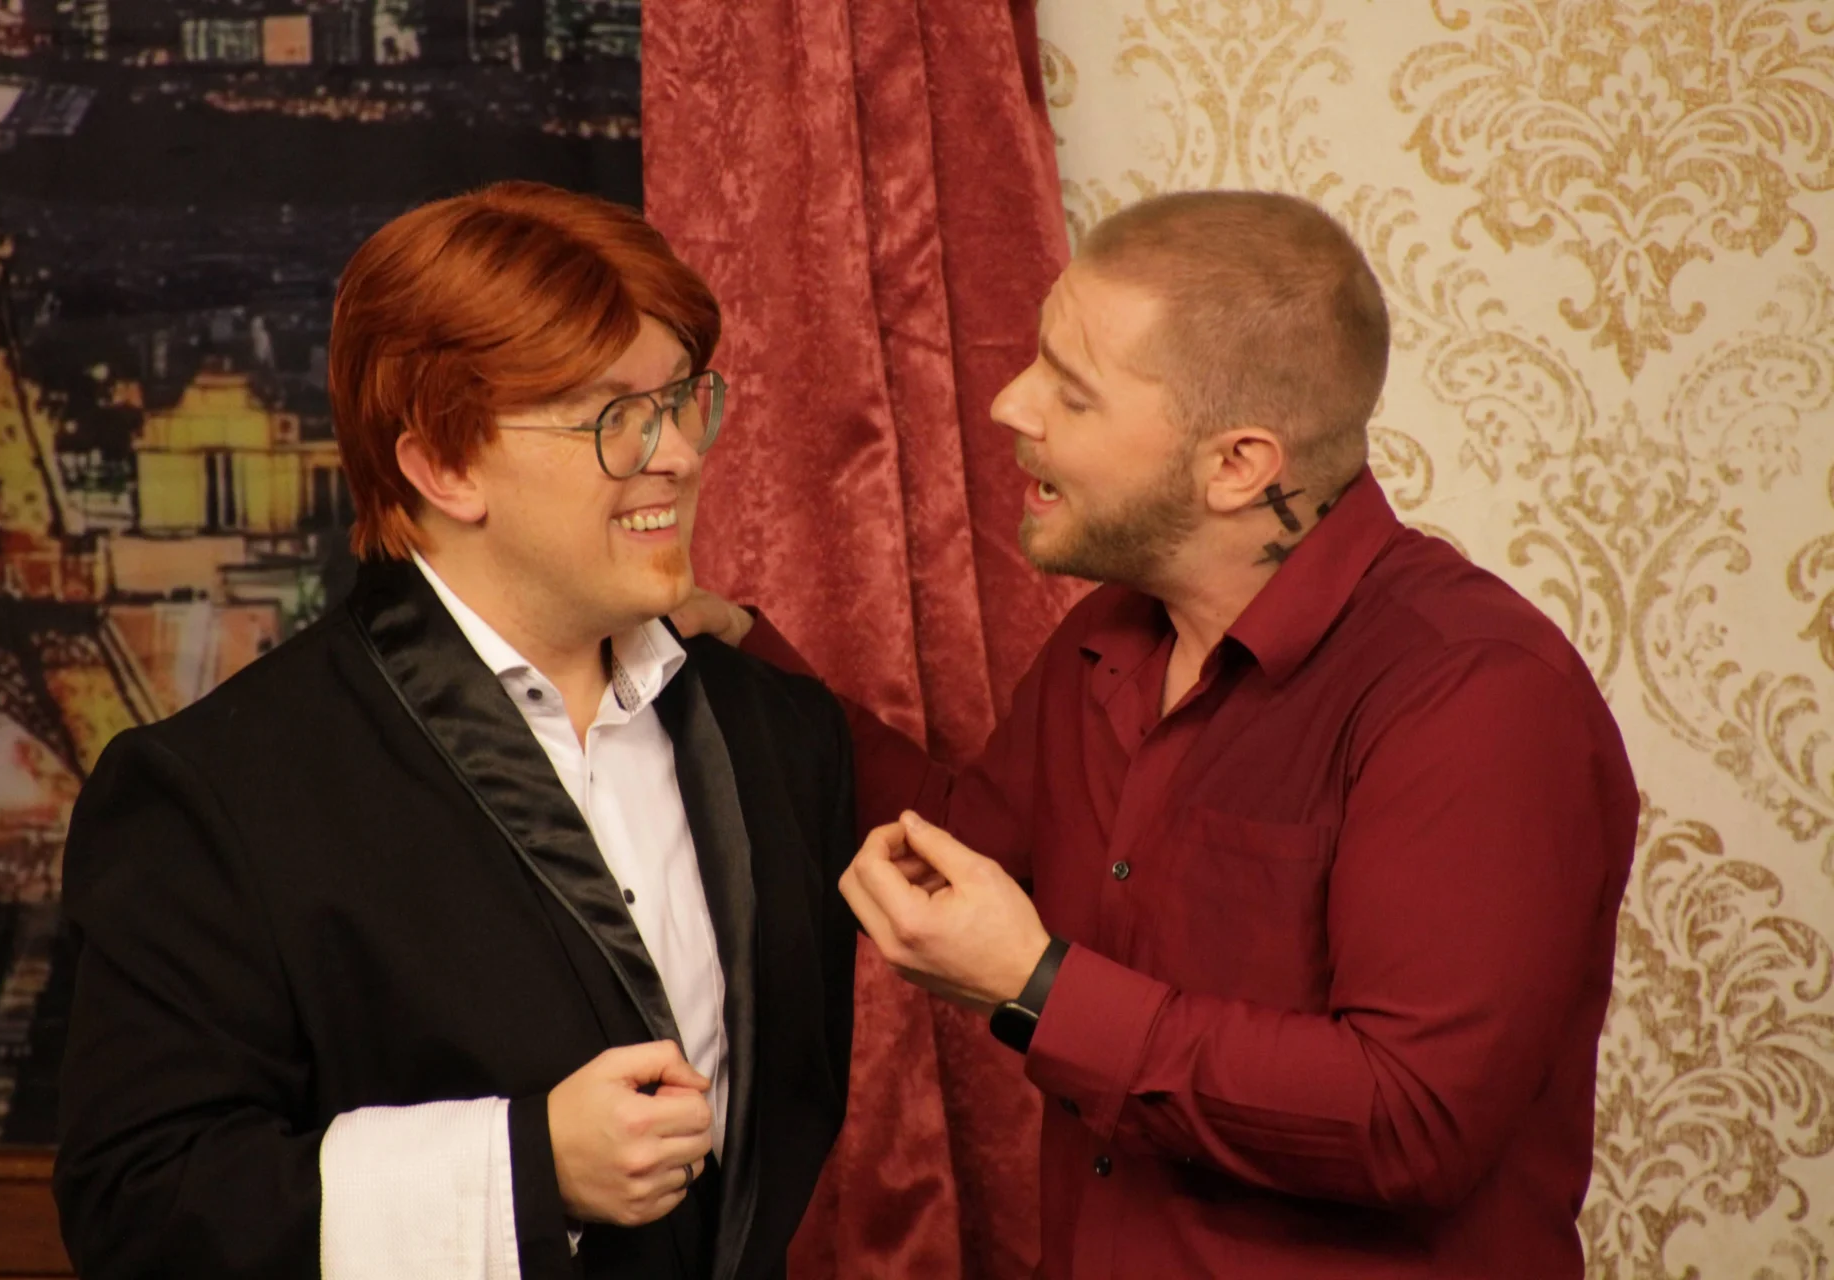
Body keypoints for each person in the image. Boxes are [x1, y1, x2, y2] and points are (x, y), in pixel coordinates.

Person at [677, 191, 1636, 1278]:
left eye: (1071, 391)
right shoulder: (1109, 636)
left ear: (1238, 464)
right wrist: (745, 658)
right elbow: (957, 841)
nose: (1008, 403)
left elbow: (1412, 1118)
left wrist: (1039, 988)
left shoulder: (1475, 694)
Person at [53, 182, 857, 1280]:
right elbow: (140, 1209)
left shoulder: (784, 738)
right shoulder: (212, 792)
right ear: (444, 465)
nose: (675, 451)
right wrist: (527, 1168)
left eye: (681, 399)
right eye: (614, 416)